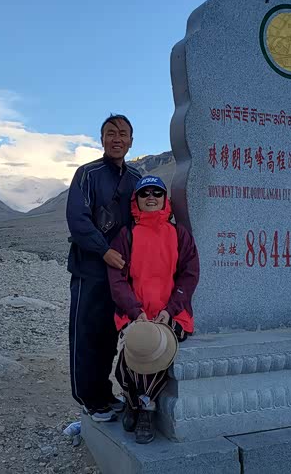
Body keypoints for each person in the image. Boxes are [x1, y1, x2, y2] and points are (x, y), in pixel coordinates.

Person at [107, 175, 200, 444]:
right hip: (135, 311)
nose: (151, 197)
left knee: (155, 346)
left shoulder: (179, 235)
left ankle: (144, 409)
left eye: (157, 192)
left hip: (171, 312)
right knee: (136, 345)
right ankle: (132, 400)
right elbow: (117, 280)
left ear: (164, 199)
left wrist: (170, 310)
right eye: (144, 193)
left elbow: (189, 275)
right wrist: (135, 311)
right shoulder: (126, 236)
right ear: (135, 200)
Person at [66, 114, 141, 422]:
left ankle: (104, 392)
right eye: (111, 133)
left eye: (123, 133)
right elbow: (78, 219)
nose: (116, 138)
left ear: (131, 141)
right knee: (87, 333)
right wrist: (104, 250)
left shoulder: (136, 178)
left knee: (110, 334)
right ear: (102, 140)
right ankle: (89, 398)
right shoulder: (87, 174)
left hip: (121, 272)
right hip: (91, 269)